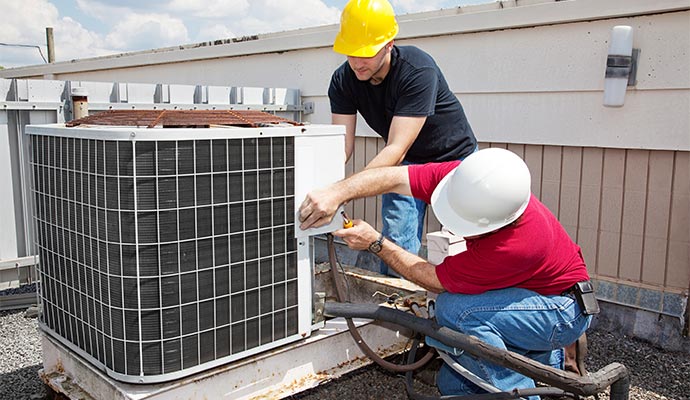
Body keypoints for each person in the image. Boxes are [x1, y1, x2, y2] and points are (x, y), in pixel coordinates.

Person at [299, 148, 595, 398]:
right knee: (453, 385)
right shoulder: (469, 180)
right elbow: (392, 176)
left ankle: (523, 388)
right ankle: (547, 359)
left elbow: (434, 279)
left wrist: (376, 243)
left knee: (456, 310)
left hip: (561, 309)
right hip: (533, 293)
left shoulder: (516, 245)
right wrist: (337, 192)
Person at [329, 0, 477, 275]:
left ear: (389, 44)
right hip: (407, 163)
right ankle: (399, 308)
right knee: (396, 240)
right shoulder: (342, 80)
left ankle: (459, 307)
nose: (357, 62)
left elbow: (396, 147)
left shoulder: (417, 69)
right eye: (350, 53)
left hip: (454, 159)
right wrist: (326, 186)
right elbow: (342, 146)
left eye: (366, 53)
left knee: (465, 242)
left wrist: (345, 190)